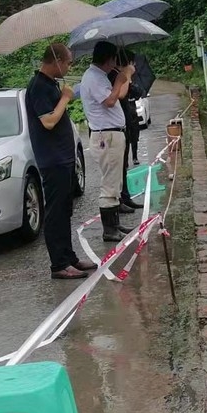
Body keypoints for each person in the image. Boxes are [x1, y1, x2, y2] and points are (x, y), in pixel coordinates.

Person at [24, 43, 97, 280]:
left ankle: (69, 257)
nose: (69, 66)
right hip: (52, 160)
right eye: (67, 62)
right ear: (56, 61)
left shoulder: (49, 84)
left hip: (63, 158)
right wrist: (65, 98)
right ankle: (58, 265)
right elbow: (48, 122)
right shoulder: (37, 87)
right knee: (55, 213)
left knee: (65, 209)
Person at [79, 41, 135, 242]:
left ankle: (115, 224)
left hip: (112, 134)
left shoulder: (98, 76)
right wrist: (120, 80)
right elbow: (110, 101)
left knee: (115, 182)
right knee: (110, 183)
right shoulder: (93, 77)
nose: (115, 64)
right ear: (109, 59)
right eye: (114, 60)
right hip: (107, 135)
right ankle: (109, 230)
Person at [108, 49, 143, 215]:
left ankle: (126, 196)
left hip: (126, 121)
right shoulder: (115, 75)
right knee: (119, 165)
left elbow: (135, 92)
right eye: (131, 63)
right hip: (116, 125)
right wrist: (127, 75)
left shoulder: (119, 75)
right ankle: (120, 199)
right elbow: (121, 95)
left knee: (124, 163)